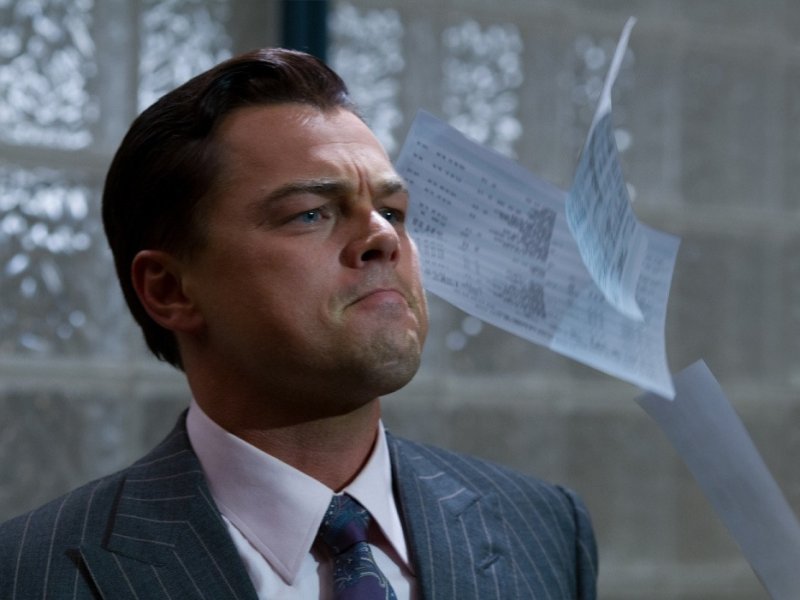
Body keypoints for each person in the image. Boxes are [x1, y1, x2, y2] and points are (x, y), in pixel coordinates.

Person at [0, 48, 597, 599]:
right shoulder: (30, 574)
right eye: (311, 213)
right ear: (170, 289)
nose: (383, 238)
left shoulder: (544, 529)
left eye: (392, 211)